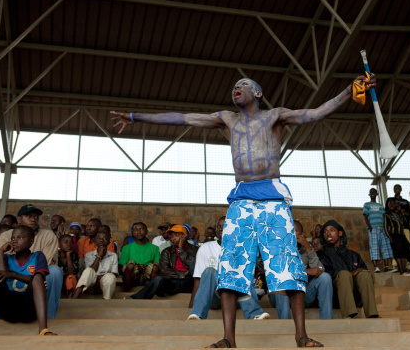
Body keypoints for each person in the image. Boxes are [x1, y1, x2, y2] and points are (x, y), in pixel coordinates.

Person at [111, 72, 375, 348]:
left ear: (258, 93)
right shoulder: (227, 119)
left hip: (273, 196)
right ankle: (228, 338)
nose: (237, 87)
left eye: (244, 85)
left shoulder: (275, 116)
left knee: (287, 266)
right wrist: (134, 116)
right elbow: (182, 117)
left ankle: (301, 336)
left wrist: (348, 90)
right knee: (231, 268)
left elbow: (317, 113)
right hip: (241, 199)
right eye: (234, 86)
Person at [0, 225, 56, 336]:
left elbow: (39, 279)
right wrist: (0, 252)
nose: (15, 241)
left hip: (29, 308)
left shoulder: (38, 256)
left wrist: (13, 275)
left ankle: (43, 329)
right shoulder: (6, 257)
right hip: (7, 308)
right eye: (13, 238)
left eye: (20, 238)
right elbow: (0, 277)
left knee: (37, 277)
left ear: (31, 241)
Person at [188, 216, 270, 320]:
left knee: (241, 274)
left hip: (235, 298)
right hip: (215, 298)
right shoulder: (205, 248)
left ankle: (254, 314)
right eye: (218, 226)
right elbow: (199, 280)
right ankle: (198, 314)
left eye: (225, 226)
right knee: (210, 271)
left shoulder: (241, 249)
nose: (221, 229)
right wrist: (192, 307)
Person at [0, 204, 63, 319]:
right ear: (19, 219)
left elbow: (46, 263)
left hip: (37, 276)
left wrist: (25, 272)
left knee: (55, 271)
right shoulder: (7, 235)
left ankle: (49, 317)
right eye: (29, 216)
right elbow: (1, 259)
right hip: (11, 276)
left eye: (36, 217)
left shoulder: (48, 235)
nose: (33, 219)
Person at [269, 220, 333, 320]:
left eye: (294, 230)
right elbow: (279, 273)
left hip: (302, 294)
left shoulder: (306, 250)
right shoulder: (278, 249)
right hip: (280, 296)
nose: (291, 233)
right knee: (281, 282)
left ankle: (327, 321)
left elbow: (319, 270)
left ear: (302, 234)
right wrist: (306, 271)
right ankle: (286, 326)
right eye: (288, 230)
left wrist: (308, 247)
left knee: (325, 277)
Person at [317, 220, 380, 319]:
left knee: (364, 275)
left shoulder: (354, 255)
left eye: (332, 230)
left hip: (355, 296)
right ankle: (349, 314)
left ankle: (372, 314)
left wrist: (354, 274)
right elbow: (324, 276)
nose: (328, 233)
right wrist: (351, 273)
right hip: (335, 296)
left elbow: (365, 273)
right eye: (325, 231)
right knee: (344, 274)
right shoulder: (321, 255)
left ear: (340, 233)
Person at [128, 225, 198, 299]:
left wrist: (180, 250)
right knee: (159, 279)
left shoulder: (195, 250)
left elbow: (192, 267)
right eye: (171, 236)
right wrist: (182, 274)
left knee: (194, 267)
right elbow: (164, 270)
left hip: (189, 282)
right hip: (173, 282)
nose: (173, 238)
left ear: (184, 236)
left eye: (176, 235)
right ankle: (135, 298)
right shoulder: (166, 251)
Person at [73, 231, 118, 299]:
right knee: (88, 270)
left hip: (103, 285)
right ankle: (75, 297)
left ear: (109, 241)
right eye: (99, 238)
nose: (101, 240)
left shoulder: (113, 255)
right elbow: (91, 271)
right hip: (91, 284)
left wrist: (100, 278)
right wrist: (98, 256)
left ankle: (106, 300)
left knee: (110, 276)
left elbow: (114, 273)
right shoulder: (89, 255)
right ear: (95, 241)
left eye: (105, 238)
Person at [119, 222, 160, 292]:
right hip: (133, 276)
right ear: (132, 232)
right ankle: (126, 291)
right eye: (136, 230)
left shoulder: (155, 248)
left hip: (148, 277)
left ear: (146, 232)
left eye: (141, 229)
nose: (138, 232)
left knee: (155, 266)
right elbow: (121, 268)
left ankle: (155, 293)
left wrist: (146, 268)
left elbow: (158, 265)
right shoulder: (126, 248)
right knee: (131, 265)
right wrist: (137, 268)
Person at [363, 188, 395, 273]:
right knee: (374, 247)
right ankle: (376, 267)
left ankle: (386, 267)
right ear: (369, 194)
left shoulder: (381, 206)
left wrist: (386, 228)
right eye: (371, 192)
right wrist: (370, 228)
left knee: (386, 247)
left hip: (383, 229)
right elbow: (365, 216)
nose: (373, 193)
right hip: (373, 228)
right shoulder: (367, 204)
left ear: (377, 194)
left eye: (374, 191)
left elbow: (384, 217)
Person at [384, 200, 410, 275]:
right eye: (390, 204)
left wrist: (400, 211)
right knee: (397, 252)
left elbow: (405, 221)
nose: (392, 205)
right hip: (394, 235)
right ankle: (401, 271)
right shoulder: (386, 215)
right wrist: (389, 237)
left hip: (402, 235)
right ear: (388, 206)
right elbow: (385, 227)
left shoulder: (399, 213)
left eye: (393, 203)